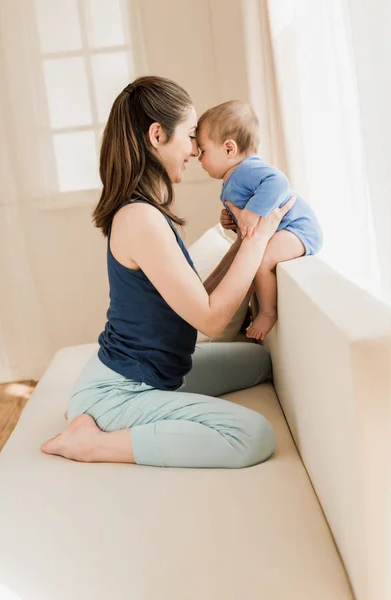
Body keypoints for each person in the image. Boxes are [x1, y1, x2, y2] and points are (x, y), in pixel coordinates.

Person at [41, 76, 295, 469]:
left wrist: (244, 239)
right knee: (252, 436)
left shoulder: (146, 211)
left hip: (155, 372)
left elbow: (195, 300)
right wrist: (259, 238)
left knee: (258, 363)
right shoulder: (140, 217)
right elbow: (211, 319)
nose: (195, 148)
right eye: (191, 134)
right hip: (122, 389)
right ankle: (90, 441)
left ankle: (92, 410)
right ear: (157, 134)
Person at [197, 100, 323, 340]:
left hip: (297, 228)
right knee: (247, 259)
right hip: (282, 230)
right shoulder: (233, 177)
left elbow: (278, 183)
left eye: (203, 151)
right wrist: (232, 219)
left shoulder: (247, 168)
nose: (198, 158)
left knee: (262, 260)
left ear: (229, 149)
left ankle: (267, 312)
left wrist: (252, 213)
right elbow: (248, 218)